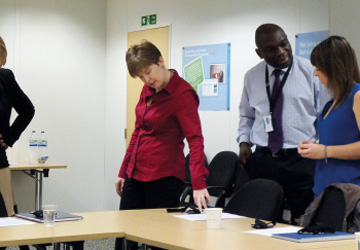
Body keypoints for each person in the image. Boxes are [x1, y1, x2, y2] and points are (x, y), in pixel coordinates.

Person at [114, 41, 210, 250]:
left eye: (148, 72)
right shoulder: (147, 89)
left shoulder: (182, 94)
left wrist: (198, 182)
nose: (147, 80)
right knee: (124, 236)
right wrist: (123, 171)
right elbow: (138, 132)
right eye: (141, 77)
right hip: (136, 172)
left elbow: (195, 140)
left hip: (164, 175)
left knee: (160, 240)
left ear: (161, 61)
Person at [237, 23, 329, 224]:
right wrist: (244, 142)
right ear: (259, 53)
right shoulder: (252, 77)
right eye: (270, 49)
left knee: (303, 221)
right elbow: (246, 115)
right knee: (261, 220)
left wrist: (322, 150)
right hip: (264, 159)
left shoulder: (310, 72)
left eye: (284, 43)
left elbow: (325, 114)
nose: (281, 52)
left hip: (302, 158)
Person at [298, 36, 360, 199]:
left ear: (333, 67)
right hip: (325, 192)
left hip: (349, 194)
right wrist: (315, 148)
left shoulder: (358, 96)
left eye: (318, 67)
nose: (315, 72)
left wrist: (325, 151)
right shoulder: (332, 102)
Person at [0, 36, 34, 250]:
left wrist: (10, 136)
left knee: (5, 219)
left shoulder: (5, 78)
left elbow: (27, 110)